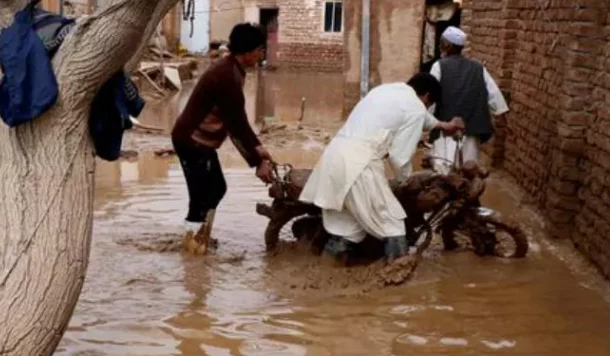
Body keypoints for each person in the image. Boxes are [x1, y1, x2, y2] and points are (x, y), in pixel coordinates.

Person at [299, 73, 465, 260]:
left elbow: (420, 116)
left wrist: (444, 126)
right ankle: (395, 275)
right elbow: (399, 158)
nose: (426, 108)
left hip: (333, 157)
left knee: (347, 230)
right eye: (429, 104)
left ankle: (325, 271)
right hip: (360, 165)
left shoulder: (385, 91)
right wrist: (406, 181)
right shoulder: (416, 108)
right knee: (393, 226)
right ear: (427, 96)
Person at [171, 23, 276, 254]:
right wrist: (257, 162)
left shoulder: (233, 69)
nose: (261, 55)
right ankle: (193, 249)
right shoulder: (227, 76)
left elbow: (238, 121)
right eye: (260, 50)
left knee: (215, 189)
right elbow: (236, 125)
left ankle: (199, 239)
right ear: (248, 51)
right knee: (203, 196)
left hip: (198, 141)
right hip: (191, 141)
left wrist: (259, 149)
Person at [428, 26, 509, 173]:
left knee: (443, 170)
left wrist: (428, 121)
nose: (440, 46)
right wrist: (502, 117)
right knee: (469, 169)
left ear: (448, 46)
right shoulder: (478, 68)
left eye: (441, 43)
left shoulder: (439, 66)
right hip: (472, 127)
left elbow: (431, 96)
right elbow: (494, 94)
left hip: (446, 127)